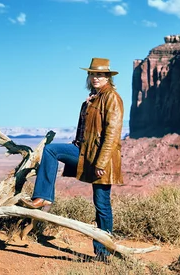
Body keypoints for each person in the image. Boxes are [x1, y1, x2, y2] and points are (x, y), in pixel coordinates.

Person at [19, 57, 124, 260]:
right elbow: (86, 129)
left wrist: (101, 163)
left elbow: (112, 133)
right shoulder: (93, 98)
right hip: (85, 153)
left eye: (100, 74)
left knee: (101, 204)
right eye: (92, 74)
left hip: (102, 159)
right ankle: (43, 197)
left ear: (108, 77)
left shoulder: (111, 97)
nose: (95, 78)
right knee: (50, 150)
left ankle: (103, 253)